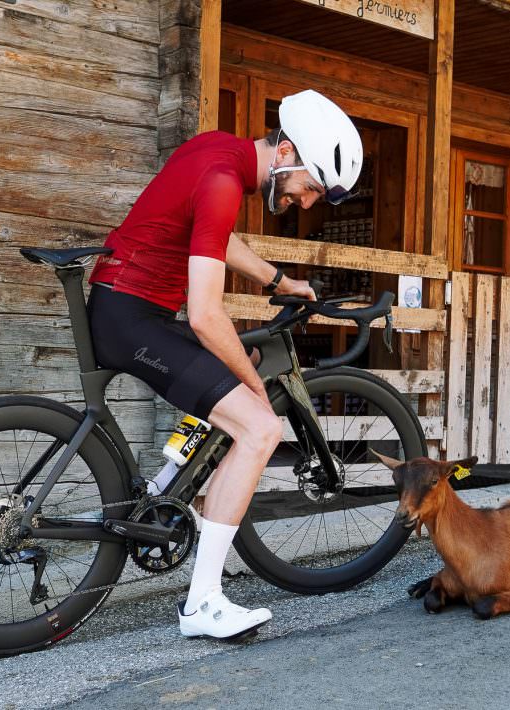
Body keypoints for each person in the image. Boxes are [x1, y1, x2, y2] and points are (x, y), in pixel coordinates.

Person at [87, 90, 363, 640]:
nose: (307, 203)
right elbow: (208, 316)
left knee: (248, 363)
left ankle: (172, 485)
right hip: (133, 320)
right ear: (286, 152)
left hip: (130, 308)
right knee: (258, 427)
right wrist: (254, 398)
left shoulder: (218, 153)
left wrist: (278, 281)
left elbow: (214, 235)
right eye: (310, 187)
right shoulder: (222, 182)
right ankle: (203, 604)